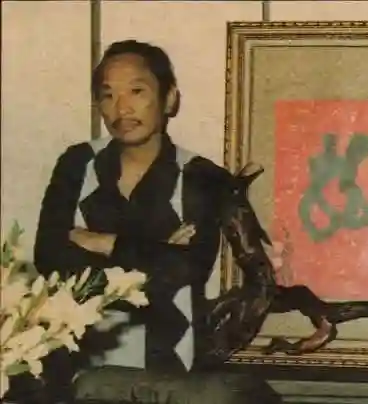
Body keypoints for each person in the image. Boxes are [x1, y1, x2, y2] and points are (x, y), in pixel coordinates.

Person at [33, 39, 279, 402]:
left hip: (171, 369)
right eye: (108, 95)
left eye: (137, 91)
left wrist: (100, 242)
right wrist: (156, 253)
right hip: (77, 369)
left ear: (169, 99)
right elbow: (49, 256)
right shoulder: (78, 163)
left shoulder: (201, 175)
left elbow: (186, 268)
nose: (122, 108)